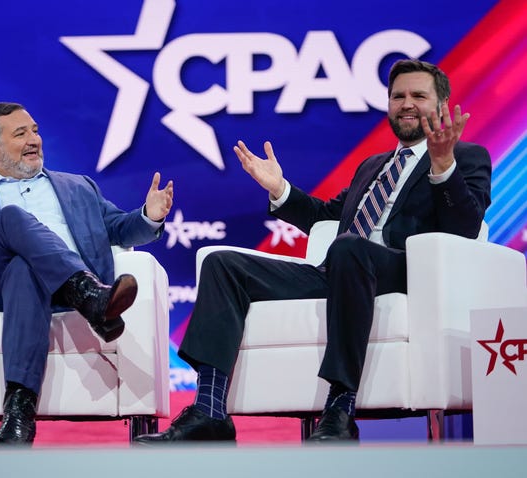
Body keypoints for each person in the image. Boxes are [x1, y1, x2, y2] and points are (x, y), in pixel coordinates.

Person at [133, 59, 491, 444]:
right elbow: (325, 217)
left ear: (442, 105)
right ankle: (210, 411)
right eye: (397, 96)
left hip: (403, 272)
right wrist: (279, 189)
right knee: (224, 265)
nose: (406, 103)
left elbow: (463, 231)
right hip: (340, 267)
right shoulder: (373, 166)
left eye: (418, 95)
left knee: (350, 248)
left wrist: (442, 167)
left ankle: (339, 407)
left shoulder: (468, 158)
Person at [0, 102, 174, 446]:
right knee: (11, 218)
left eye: (35, 131)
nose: (33, 140)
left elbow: (118, 228)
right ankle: (89, 296)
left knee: (24, 269)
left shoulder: (78, 187)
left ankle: (18, 420)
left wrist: (149, 216)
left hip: (39, 291)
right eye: (20, 133)